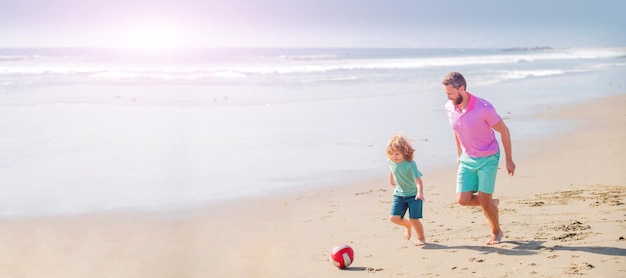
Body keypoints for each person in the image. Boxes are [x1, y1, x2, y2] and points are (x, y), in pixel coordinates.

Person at [441, 71, 516, 245]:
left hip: (488, 157)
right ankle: (491, 202)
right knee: (463, 200)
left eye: (451, 93)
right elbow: (457, 130)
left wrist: (509, 159)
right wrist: (459, 154)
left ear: (462, 88)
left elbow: (504, 130)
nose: (448, 97)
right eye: (446, 94)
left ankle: (496, 232)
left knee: (483, 200)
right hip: (467, 158)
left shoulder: (483, 108)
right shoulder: (449, 107)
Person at [385, 134, 426, 246]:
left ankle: (421, 238)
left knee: (414, 219)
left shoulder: (410, 164)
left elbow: (418, 180)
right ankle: (407, 226)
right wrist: (391, 179)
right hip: (399, 194)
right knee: (393, 218)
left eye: (397, 154)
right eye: (391, 154)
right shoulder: (391, 161)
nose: (394, 156)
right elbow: (392, 169)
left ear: (404, 152)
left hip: (414, 195)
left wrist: (419, 192)